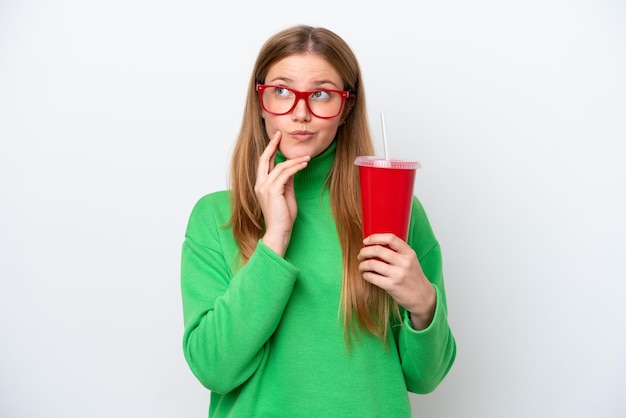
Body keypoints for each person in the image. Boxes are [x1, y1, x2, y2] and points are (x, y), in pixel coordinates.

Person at [180, 24, 456, 417]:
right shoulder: (214, 217)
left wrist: (424, 304)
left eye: (322, 94)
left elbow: (425, 379)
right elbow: (214, 368)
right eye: (282, 91)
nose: (301, 113)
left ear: (345, 109)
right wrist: (275, 238)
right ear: (259, 101)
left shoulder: (395, 210)